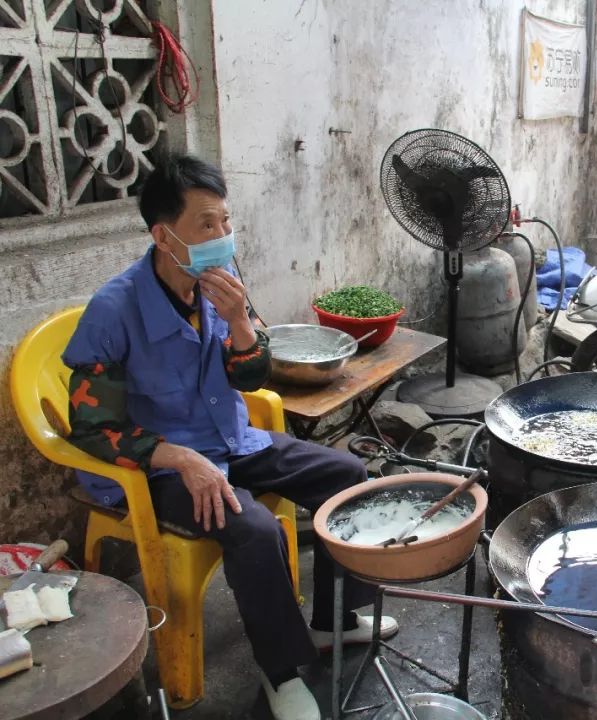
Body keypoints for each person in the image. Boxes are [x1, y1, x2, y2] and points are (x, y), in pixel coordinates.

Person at [61, 154, 398, 720]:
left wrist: (241, 321)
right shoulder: (114, 310)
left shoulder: (219, 289)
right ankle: (282, 670)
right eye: (206, 224)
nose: (222, 236)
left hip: (229, 440)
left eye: (225, 222)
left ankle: (335, 621)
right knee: (254, 528)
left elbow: (251, 377)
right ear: (162, 235)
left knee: (349, 477)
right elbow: (91, 428)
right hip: (159, 469)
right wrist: (177, 456)